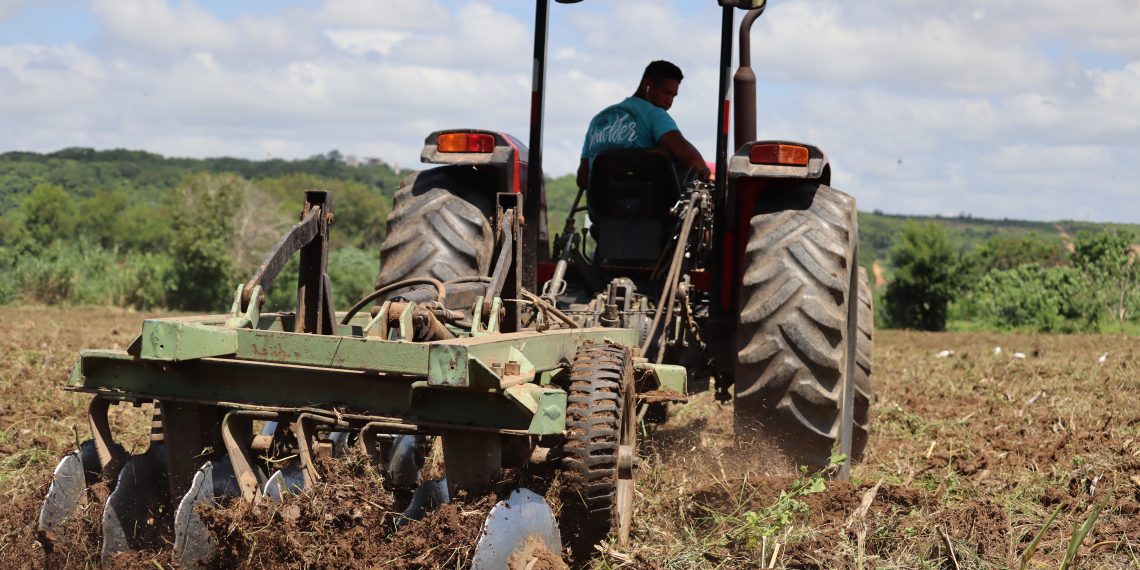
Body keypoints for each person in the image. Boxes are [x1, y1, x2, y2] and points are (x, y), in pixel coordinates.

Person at [576, 60, 710, 191]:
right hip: (648, 208)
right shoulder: (654, 114)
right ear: (648, 84)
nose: (669, 100)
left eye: (673, 96)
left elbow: (582, 179)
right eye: (666, 93)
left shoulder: (598, 120)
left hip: (603, 210)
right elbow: (689, 157)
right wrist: (708, 176)